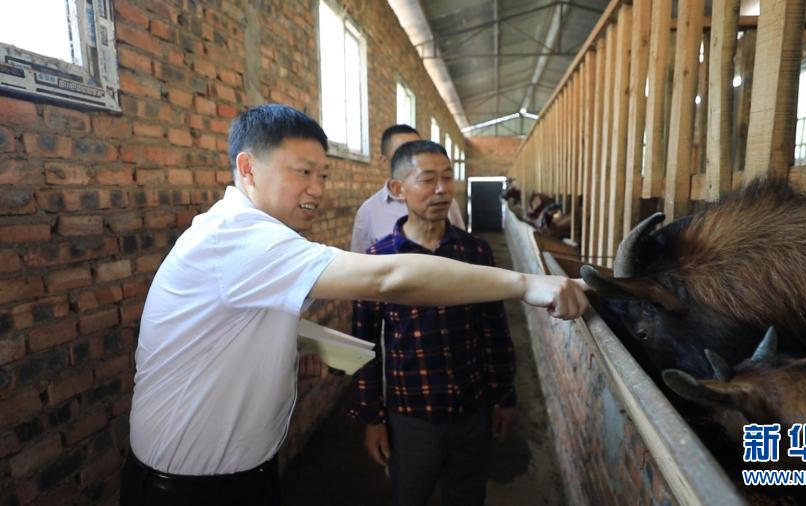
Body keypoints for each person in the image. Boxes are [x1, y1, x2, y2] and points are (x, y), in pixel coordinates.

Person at [121, 104, 588, 506]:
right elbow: (388, 278)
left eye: (322, 174)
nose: (318, 188)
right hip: (189, 490)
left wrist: (288, 354)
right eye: (302, 172)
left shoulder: (246, 235)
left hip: (235, 476)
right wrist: (526, 284)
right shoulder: (238, 237)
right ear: (248, 168)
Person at [350, 141, 516, 506]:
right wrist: (372, 418)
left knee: (467, 496)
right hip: (411, 414)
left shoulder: (474, 252)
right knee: (411, 495)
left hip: (472, 406)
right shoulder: (378, 260)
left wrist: (504, 396)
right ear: (399, 189)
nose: (441, 190)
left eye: (447, 178)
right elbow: (364, 346)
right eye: (427, 180)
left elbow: (494, 330)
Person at [350, 124, 464, 253]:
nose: (440, 189)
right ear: (384, 161)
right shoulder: (368, 212)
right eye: (403, 152)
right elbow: (361, 261)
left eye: (419, 149)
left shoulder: (445, 203)